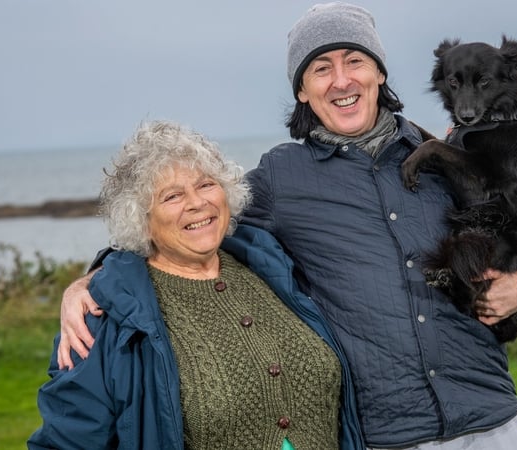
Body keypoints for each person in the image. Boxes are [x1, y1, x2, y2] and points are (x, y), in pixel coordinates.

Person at [59, 3, 517, 449]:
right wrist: (96, 276)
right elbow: (191, 224)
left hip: (498, 426)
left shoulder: (447, 155)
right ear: (303, 93)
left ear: (379, 74)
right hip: (383, 437)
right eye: (320, 69)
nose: (341, 80)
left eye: (355, 61)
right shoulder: (281, 179)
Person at [28, 120, 364, 449]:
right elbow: (68, 439)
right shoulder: (103, 319)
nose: (196, 203)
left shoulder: (272, 265)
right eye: (172, 196)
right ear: (141, 221)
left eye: (205, 185)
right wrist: (83, 285)